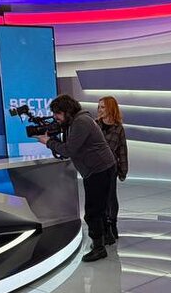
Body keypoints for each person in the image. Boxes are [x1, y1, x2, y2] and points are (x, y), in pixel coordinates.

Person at [38, 94, 116, 262]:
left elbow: (69, 150)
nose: (55, 118)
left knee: (93, 211)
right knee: (100, 207)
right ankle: (106, 238)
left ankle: (99, 248)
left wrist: (48, 142)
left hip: (98, 170)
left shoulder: (81, 122)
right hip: (99, 168)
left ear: (67, 111)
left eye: (58, 114)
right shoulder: (77, 120)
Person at [96, 96, 129, 246]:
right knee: (99, 199)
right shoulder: (94, 125)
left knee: (110, 197)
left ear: (110, 108)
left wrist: (123, 170)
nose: (99, 110)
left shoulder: (118, 128)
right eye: (99, 107)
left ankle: (112, 224)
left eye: (102, 107)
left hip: (111, 168)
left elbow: (122, 150)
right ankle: (102, 227)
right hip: (95, 168)